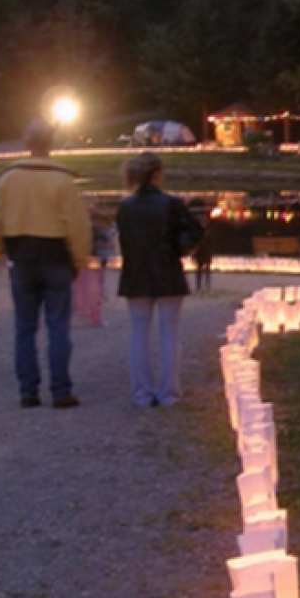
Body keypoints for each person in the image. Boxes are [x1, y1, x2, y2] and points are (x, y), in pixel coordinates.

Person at [0, 120, 91, 409]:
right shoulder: (62, 180)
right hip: (56, 256)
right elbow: (78, 226)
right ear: (51, 144)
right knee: (58, 327)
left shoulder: (8, 179)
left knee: (24, 327)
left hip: (22, 257)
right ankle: (61, 390)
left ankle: (28, 390)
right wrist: (78, 259)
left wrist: (3, 249)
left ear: (25, 142)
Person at [114, 152, 202, 407]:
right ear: (157, 174)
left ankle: (142, 393)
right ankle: (169, 393)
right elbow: (196, 230)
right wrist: (180, 249)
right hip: (167, 271)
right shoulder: (171, 204)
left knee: (138, 335)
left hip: (136, 272)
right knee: (169, 335)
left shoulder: (126, 207)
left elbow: (124, 239)